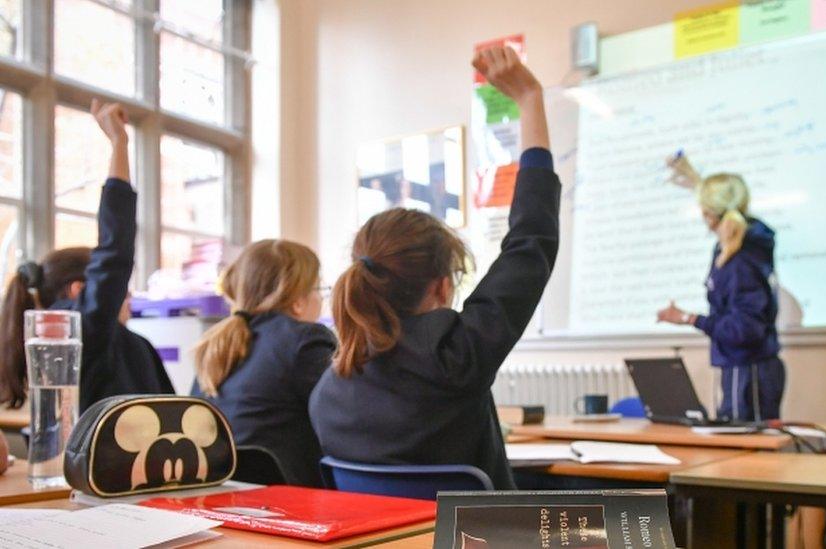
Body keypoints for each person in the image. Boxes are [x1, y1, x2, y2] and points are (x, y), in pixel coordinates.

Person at [308, 46, 559, 490]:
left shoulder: (328, 391)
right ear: (442, 287)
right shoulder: (457, 357)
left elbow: (529, 242)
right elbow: (531, 240)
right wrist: (529, 99)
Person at [0, 100, 174, 412]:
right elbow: (115, 250)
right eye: (123, 290)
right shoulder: (78, 332)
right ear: (79, 289)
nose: (128, 296)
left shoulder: (131, 345)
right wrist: (119, 144)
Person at [192, 239, 335, 487]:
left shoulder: (216, 345)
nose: (320, 300)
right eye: (319, 290)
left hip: (223, 492)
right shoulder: (305, 339)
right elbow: (338, 421)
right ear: (298, 302)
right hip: (290, 499)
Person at [657, 154, 786, 422]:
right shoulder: (741, 246)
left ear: (708, 213)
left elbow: (744, 329)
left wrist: (689, 318)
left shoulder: (740, 260)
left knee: (746, 453)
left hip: (749, 370)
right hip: (741, 367)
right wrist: (692, 177)